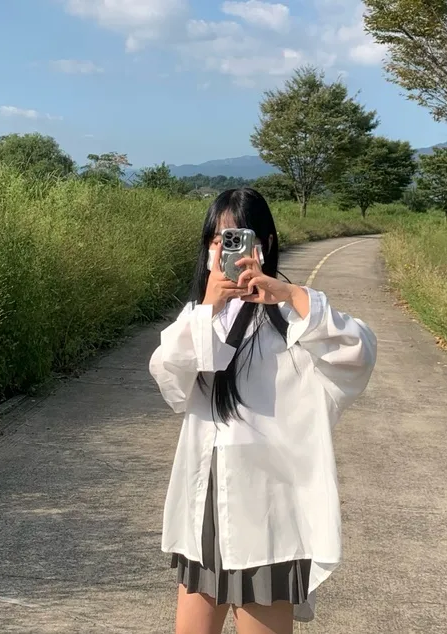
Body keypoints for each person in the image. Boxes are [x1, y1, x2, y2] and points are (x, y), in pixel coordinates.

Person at [149, 188, 377, 634]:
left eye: (239, 238)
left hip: (270, 508)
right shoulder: (199, 318)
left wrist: (290, 293)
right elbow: (168, 377)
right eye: (218, 240)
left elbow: (358, 351)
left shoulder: (294, 320)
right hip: (206, 499)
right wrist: (207, 308)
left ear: (265, 244)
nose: (226, 249)